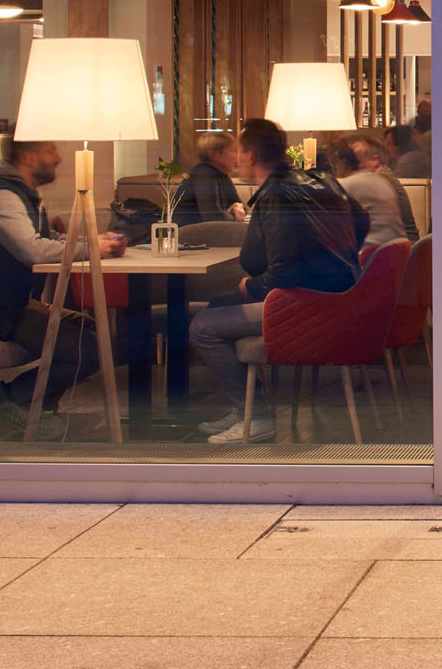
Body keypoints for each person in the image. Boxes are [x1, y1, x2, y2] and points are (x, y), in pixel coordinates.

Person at [190, 118, 368, 443]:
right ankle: (244, 408)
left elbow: (282, 273)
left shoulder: (276, 195)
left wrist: (251, 287)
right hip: (340, 296)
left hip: (308, 304)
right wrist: (328, 261)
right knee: (217, 305)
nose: (237, 159)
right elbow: (362, 220)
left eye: (240, 151)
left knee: (203, 326)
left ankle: (257, 417)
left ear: (252, 156)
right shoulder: (319, 179)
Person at [0, 136, 129, 438]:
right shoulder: (1, 198)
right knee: (90, 349)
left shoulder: (18, 194)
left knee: (91, 329)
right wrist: (93, 248)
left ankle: (33, 405)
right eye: (51, 151)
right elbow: (33, 251)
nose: (59, 159)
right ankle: (12, 398)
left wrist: (94, 241)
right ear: (28, 157)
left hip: (4, 302)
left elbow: (46, 238)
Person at [331, 133, 416, 247]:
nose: (358, 163)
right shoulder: (381, 181)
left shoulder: (375, 180)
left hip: (376, 253)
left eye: (358, 158)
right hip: (399, 250)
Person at [170, 133, 245, 227]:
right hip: (185, 233)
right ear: (216, 155)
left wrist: (238, 206)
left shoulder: (222, 175)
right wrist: (235, 215)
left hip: (204, 232)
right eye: (233, 151)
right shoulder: (204, 175)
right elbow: (213, 218)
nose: (236, 156)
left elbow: (242, 206)